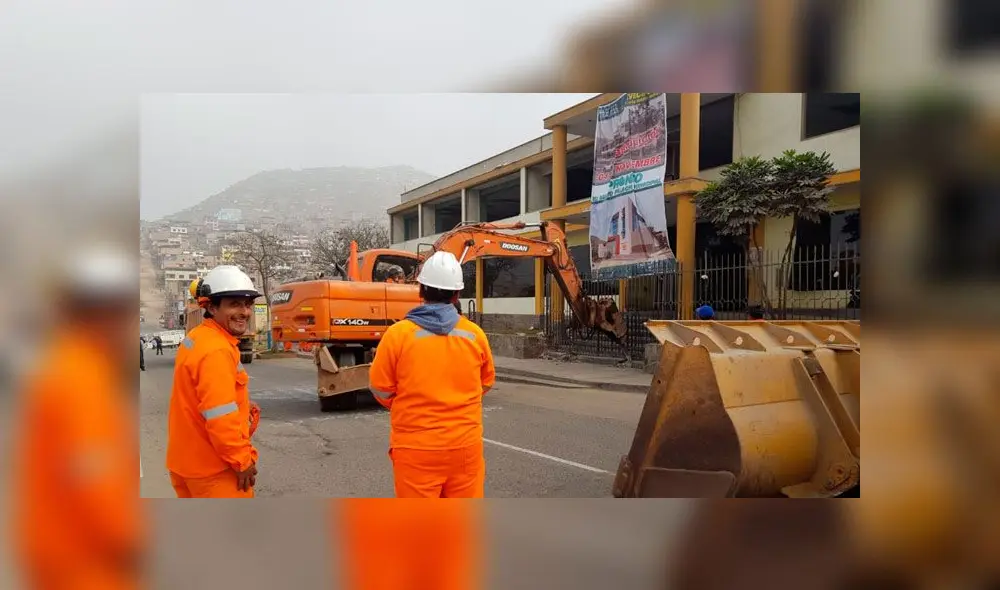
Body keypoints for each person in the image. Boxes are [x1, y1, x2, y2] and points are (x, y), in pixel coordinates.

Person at [11, 245, 144, 590]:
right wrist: (132, 540)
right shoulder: (81, 378)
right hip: (88, 560)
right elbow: (94, 473)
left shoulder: (63, 364)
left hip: (57, 550)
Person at [369, 251, 495, 498]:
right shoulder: (474, 335)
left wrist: (407, 406)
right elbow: (486, 382)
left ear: (420, 290)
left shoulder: (398, 335)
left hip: (416, 448)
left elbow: (380, 388)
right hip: (465, 446)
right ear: (457, 294)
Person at [166, 265, 260, 498]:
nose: (245, 312)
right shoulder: (216, 350)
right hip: (214, 472)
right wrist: (241, 461)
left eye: (248, 304)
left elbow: (200, 399)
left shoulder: (197, 338)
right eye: (235, 304)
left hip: (187, 464)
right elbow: (220, 417)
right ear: (211, 307)